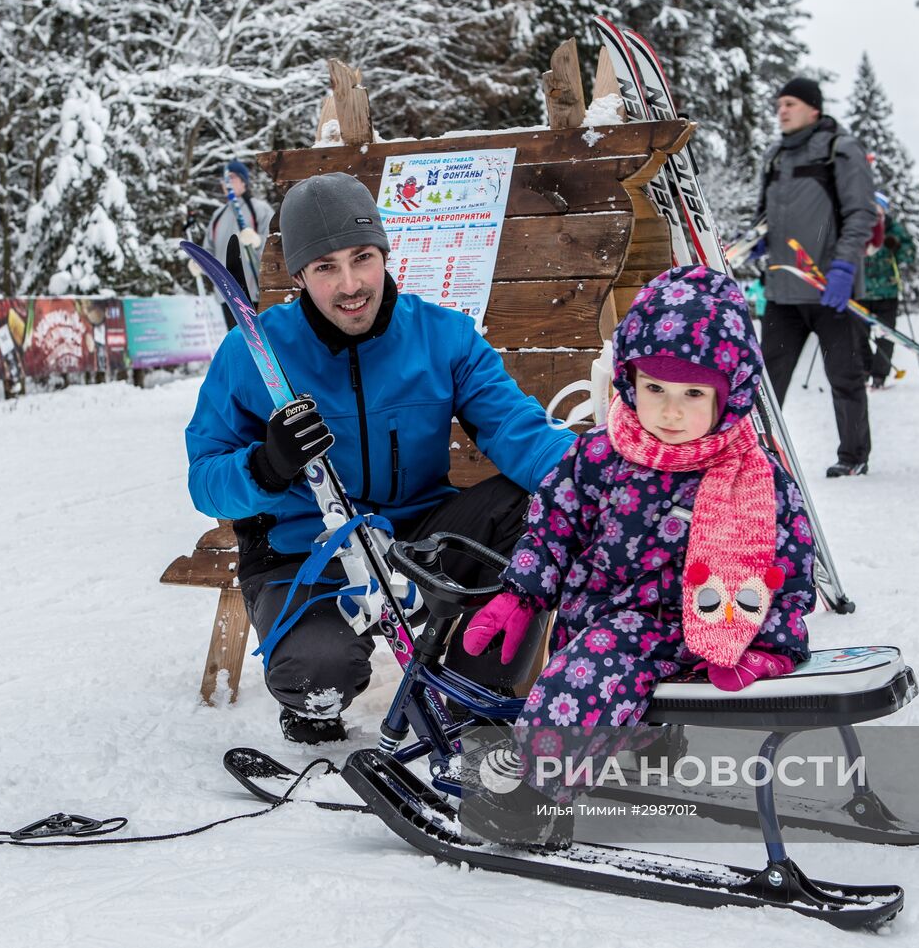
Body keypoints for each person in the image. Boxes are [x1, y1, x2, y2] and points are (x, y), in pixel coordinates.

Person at [185, 171, 574, 743]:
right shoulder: (251, 353)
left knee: (530, 502)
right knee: (320, 671)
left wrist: (600, 476)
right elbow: (204, 480)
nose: (350, 284)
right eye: (325, 267)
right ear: (299, 276)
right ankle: (312, 703)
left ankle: (473, 696)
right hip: (307, 551)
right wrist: (265, 465)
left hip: (419, 535)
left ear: (385, 252)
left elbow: (518, 429)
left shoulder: (444, 337)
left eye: (362, 257)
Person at [456, 265, 814, 846]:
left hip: (702, 627)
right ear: (628, 381)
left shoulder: (754, 475)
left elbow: (789, 565)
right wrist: (522, 591)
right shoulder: (600, 454)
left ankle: (528, 795)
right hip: (600, 617)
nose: (670, 413)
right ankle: (648, 740)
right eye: (655, 390)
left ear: (729, 396)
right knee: (595, 671)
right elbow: (555, 525)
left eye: (693, 394)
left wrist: (771, 642)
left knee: (587, 676)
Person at [753, 76, 878, 477]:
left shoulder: (840, 150)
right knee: (767, 382)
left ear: (814, 108)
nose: (782, 110)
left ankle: (853, 456)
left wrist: (844, 267)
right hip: (783, 290)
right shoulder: (774, 156)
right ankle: (757, 452)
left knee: (845, 375)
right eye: (779, 104)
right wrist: (757, 240)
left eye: (790, 103)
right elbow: (763, 217)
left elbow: (861, 214)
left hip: (830, 290)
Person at [861, 191, 918, 389]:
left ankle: (879, 375)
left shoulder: (894, 229)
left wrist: (898, 247)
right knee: (857, 333)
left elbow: (909, 255)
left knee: (886, 334)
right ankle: (865, 369)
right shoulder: (857, 226)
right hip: (860, 290)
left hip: (887, 291)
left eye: (879, 209)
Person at [202, 159, 274, 305]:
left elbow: (277, 244)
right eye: (223, 179)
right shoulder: (218, 215)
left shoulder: (260, 209)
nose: (226, 182)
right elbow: (209, 249)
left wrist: (258, 240)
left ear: (243, 181)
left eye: (231, 177)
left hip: (254, 294)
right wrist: (200, 262)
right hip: (226, 296)